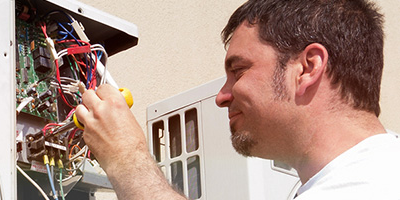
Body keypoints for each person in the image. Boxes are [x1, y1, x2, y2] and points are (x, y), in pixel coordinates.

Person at [75, 0, 400, 199]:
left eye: (239, 70)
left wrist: (125, 156)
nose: (221, 96)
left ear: (307, 67)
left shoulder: (368, 188)